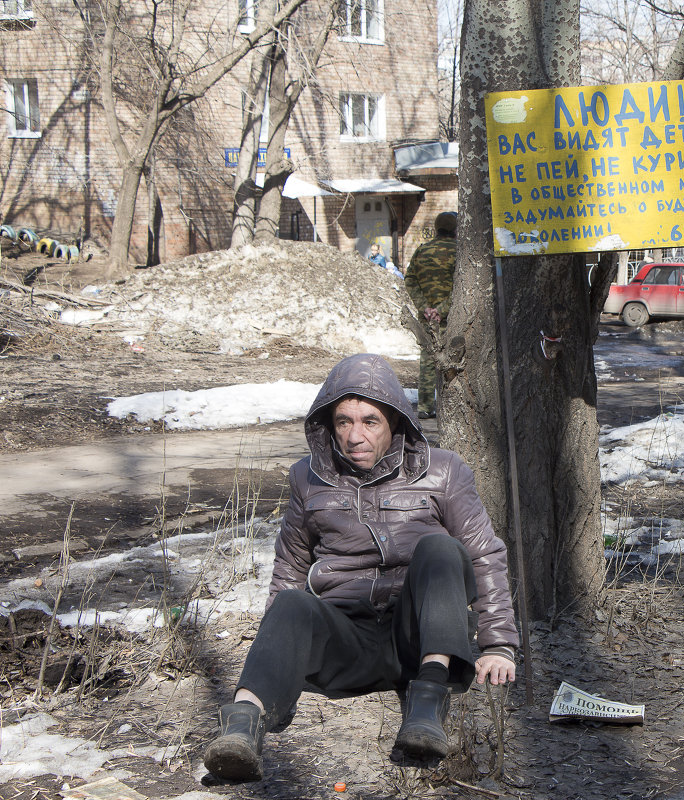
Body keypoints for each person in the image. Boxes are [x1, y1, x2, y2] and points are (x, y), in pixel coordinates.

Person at [202, 353, 518, 782]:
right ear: (329, 425)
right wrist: (280, 659)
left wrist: (498, 644)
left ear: (395, 422)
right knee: (293, 601)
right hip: (347, 640)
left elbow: (483, 554)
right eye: (343, 422)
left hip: (419, 638)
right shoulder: (306, 477)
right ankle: (241, 727)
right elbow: (290, 567)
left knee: (440, 549)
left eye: (369, 421)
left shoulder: (443, 470)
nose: (355, 436)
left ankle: (426, 705)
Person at [406, 211, 458, 419]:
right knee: (455, 362)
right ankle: (451, 406)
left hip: (427, 319)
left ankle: (426, 407)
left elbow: (410, 280)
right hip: (453, 317)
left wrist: (425, 307)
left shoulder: (422, 251)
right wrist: (442, 310)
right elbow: (464, 285)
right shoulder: (461, 252)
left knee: (428, 361)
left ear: (437, 229)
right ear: (456, 229)